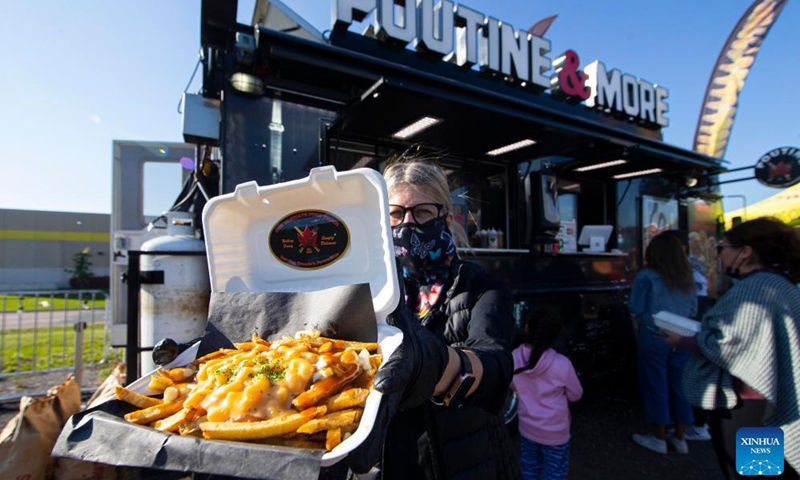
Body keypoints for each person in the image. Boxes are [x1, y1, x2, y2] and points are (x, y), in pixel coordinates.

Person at [347, 158, 520, 479]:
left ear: (446, 216)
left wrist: (433, 365)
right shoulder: (365, 290)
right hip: (380, 461)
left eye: (423, 212)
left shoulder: (482, 287)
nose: (407, 225)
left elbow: (495, 365)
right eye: (395, 214)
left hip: (462, 460)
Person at [662, 218, 800, 479]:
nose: (719, 255)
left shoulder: (756, 288)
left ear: (745, 251)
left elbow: (727, 345)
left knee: (755, 472)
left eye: (722, 248)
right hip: (767, 396)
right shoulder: (781, 284)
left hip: (748, 401)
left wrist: (682, 340)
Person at [628, 231, 697, 454]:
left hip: (654, 336)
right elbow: (694, 309)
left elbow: (637, 308)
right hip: (684, 337)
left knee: (655, 384)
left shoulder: (646, 276)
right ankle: (680, 437)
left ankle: (658, 437)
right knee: (680, 386)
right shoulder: (688, 276)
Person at [511, 306, 583, 480]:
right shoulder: (562, 364)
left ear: (527, 328)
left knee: (529, 470)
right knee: (555, 474)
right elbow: (576, 394)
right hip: (555, 434)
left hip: (527, 429)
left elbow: (512, 385)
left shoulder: (514, 356)